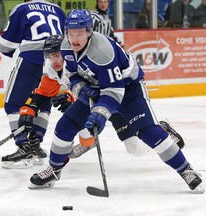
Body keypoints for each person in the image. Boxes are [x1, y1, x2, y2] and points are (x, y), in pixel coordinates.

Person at [28, 9, 204, 193]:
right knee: (65, 126)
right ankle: (54, 170)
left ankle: (186, 170)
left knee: (148, 134)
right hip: (96, 89)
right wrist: (80, 87)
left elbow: (114, 90)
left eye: (79, 33)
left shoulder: (103, 51)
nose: (74, 38)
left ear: (89, 31)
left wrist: (100, 114)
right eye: (71, 33)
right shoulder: (66, 46)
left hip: (128, 90)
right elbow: (71, 73)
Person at [0, 0, 66, 167]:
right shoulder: (58, 10)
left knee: (12, 104)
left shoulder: (21, 8)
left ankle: (23, 146)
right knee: (44, 101)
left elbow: (6, 46)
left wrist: (5, 44)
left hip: (31, 60)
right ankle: (36, 145)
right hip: (57, 59)